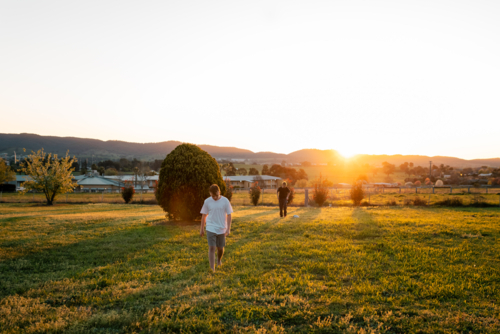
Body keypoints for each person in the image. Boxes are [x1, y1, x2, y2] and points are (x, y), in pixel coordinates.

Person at [200, 184, 233, 272]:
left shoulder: (225, 201)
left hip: (222, 228)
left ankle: (218, 260)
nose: (214, 198)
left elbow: (229, 215)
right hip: (210, 227)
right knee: (212, 248)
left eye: (216, 195)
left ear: (219, 192)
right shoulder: (207, 201)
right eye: (212, 196)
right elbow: (204, 215)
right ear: (210, 194)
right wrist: (202, 229)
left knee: (220, 248)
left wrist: (228, 229)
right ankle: (212, 268)